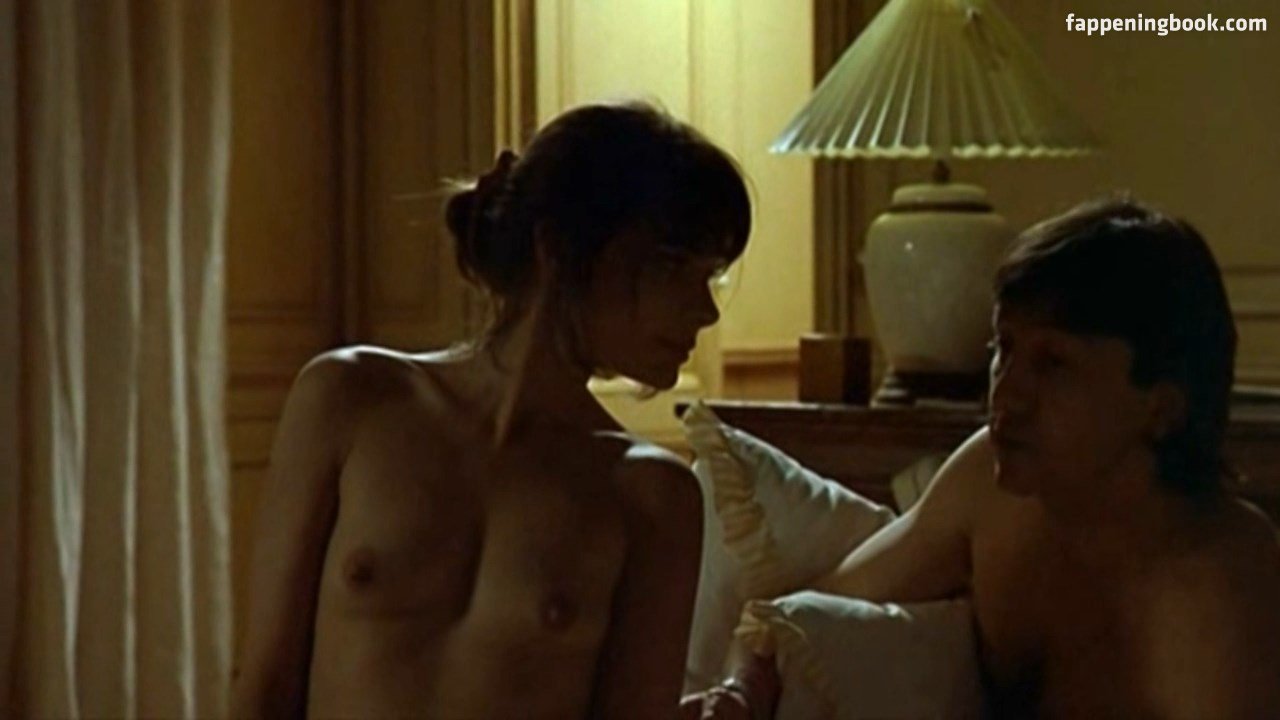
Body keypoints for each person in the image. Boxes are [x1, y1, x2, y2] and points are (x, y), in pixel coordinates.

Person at [231, 100, 752, 719]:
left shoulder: (649, 493)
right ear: (560, 247)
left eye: (712, 275)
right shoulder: (350, 398)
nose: (706, 310)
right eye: (675, 267)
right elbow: (265, 688)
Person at [685, 197, 1280, 719]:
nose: (1008, 393)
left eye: (1054, 364)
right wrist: (740, 689)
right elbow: (794, 618)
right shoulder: (991, 490)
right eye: (1005, 348)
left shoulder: (1221, 589)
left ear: (1162, 408)